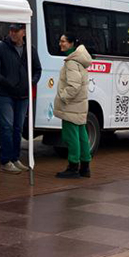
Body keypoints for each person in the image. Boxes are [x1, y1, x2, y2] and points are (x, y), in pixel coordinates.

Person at [0, 23, 42, 174]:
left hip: (23, 95)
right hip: (6, 94)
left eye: (16, 30)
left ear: (24, 32)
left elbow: (37, 69)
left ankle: (15, 158)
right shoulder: (1, 48)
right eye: (11, 30)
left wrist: (31, 83)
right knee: (7, 127)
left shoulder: (30, 49)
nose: (13, 33)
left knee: (18, 128)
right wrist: (6, 83)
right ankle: (5, 160)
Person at [53, 32, 93, 179]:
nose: (60, 44)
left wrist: (63, 96)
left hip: (71, 105)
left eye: (63, 41)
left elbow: (73, 86)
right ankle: (85, 167)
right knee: (82, 134)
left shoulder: (71, 62)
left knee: (71, 136)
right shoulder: (79, 60)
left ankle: (73, 166)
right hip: (80, 105)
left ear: (71, 44)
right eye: (60, 41)